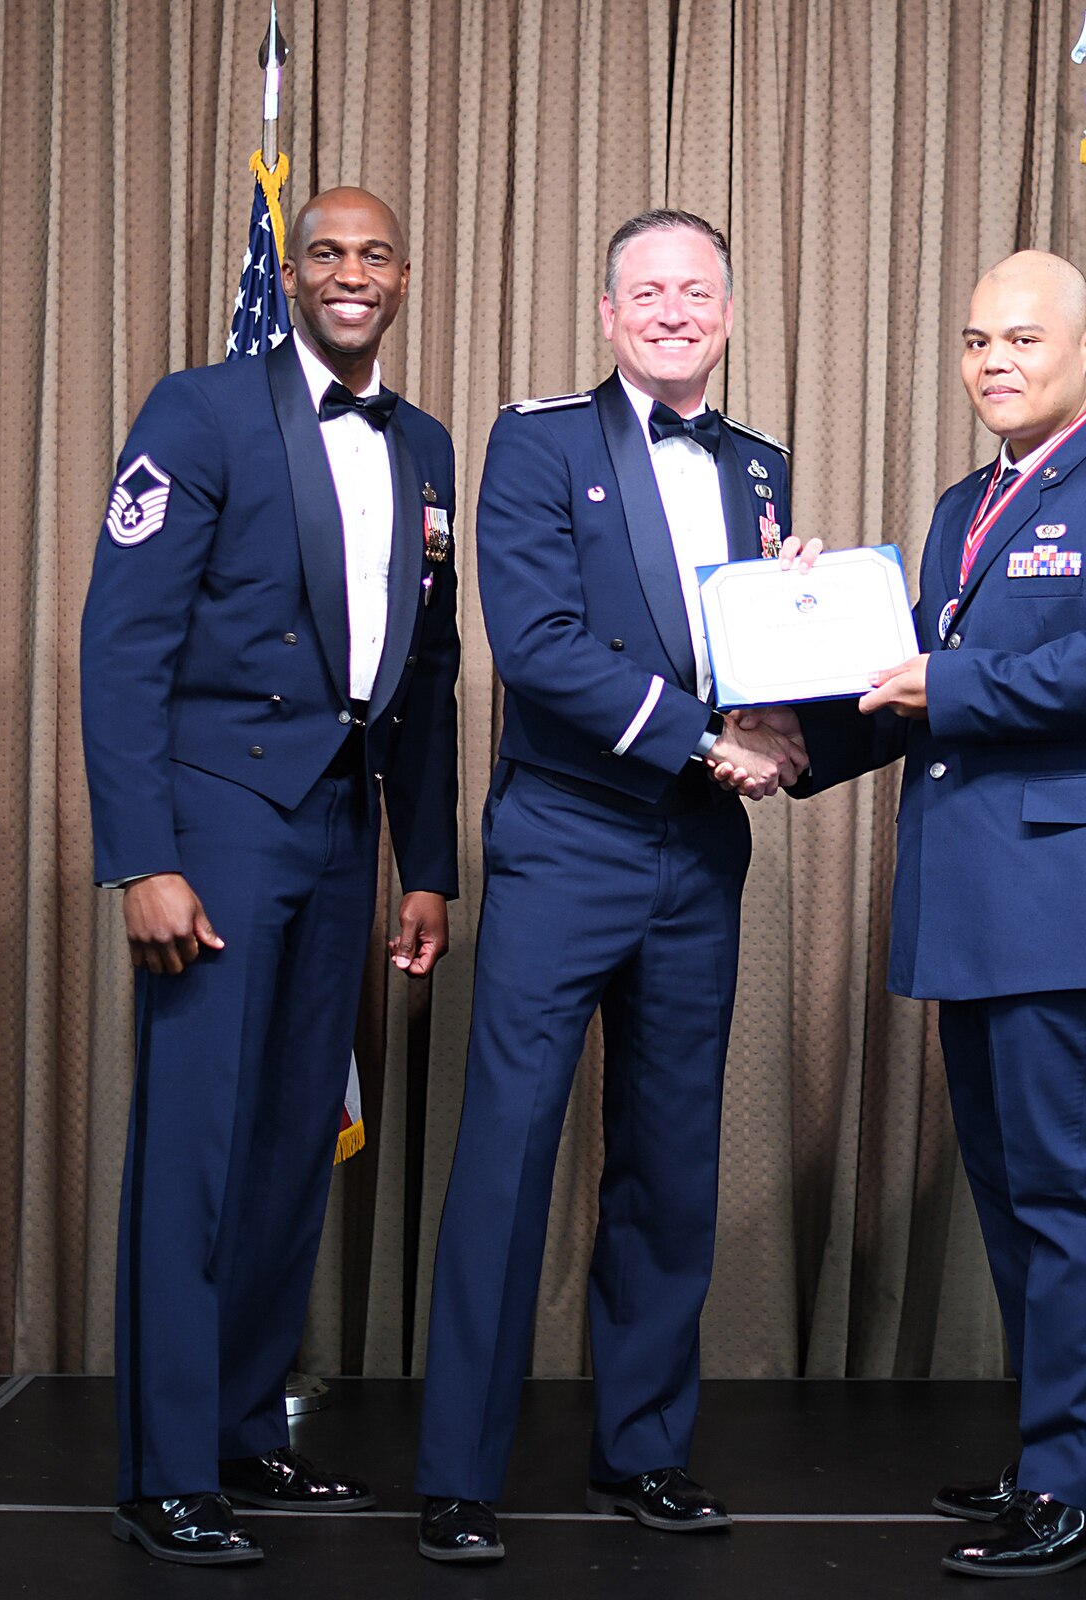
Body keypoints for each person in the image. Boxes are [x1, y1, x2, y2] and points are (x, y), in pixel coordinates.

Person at [790, 250, 1086, 1578]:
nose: (994, 362)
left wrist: (953, 682)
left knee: (1072, 1195)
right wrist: (792, 720)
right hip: (977, 903)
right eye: (978, 340)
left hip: (1071, 901)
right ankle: (1066, 1456)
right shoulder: (962, 506)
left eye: (1024, 339)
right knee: (1018, 1197)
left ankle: (1083, 1488)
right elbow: (909, 683)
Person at [412, 209, 808, 1565]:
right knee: (509, 1149)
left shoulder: (760, 465)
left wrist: (797, 654)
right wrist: (704, 738)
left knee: (670, 1159)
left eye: (697, 291)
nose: (674, 310)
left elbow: (750, 656)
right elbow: (537, 643)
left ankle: (645, 1450)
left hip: (698, 853)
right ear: (606, 313)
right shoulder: (538, 441)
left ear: (729, 314)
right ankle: (458, 1472)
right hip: (566, 840)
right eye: (648, 291)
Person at [81, 187, 460, 1566]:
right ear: (291, 276)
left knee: (298, 1138)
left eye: (375, 254)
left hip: (347, 823)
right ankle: (166, 1469)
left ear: (403, 278)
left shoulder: (425, 444)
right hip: (222, 819)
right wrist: (145, 856)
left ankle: (246, 1429)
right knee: (197, 1146)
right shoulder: (199, 411)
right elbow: (123, 643)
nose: (351, 273)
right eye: (326, 253)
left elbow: (431, 669)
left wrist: (427, 864)